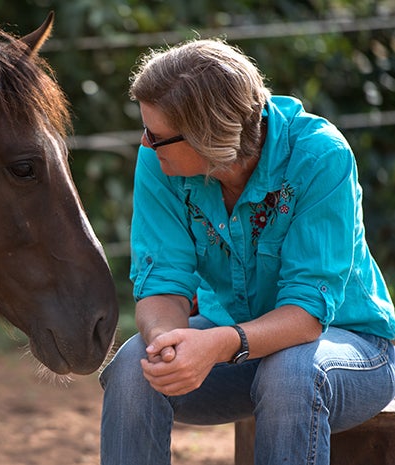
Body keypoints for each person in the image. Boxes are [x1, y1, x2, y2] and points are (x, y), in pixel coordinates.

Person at [99, 38, 395, 465]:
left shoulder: (319, 156)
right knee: (134, 367)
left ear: (209, 137)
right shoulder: (160, 163)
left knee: (291, 374)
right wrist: (168, 346)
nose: (145, 144)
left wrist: (219, 345)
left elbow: (307, 312)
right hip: (236, 343)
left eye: (157, 135)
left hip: (352, 349)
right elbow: (162, 282)